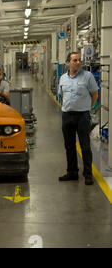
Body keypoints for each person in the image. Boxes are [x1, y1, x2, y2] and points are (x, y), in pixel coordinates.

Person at [58, 52, 98, 185]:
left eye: (79, 60)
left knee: (85, 146)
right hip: (67, 115)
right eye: (75, 60)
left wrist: (86, 108)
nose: (78, 63)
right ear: (68, 63)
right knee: (69, 146)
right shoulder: (63, 78)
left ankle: (88, 174)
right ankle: (72, 172)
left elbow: (94, 95)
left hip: (82, 116)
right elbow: (62, 95)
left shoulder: (88, 76)